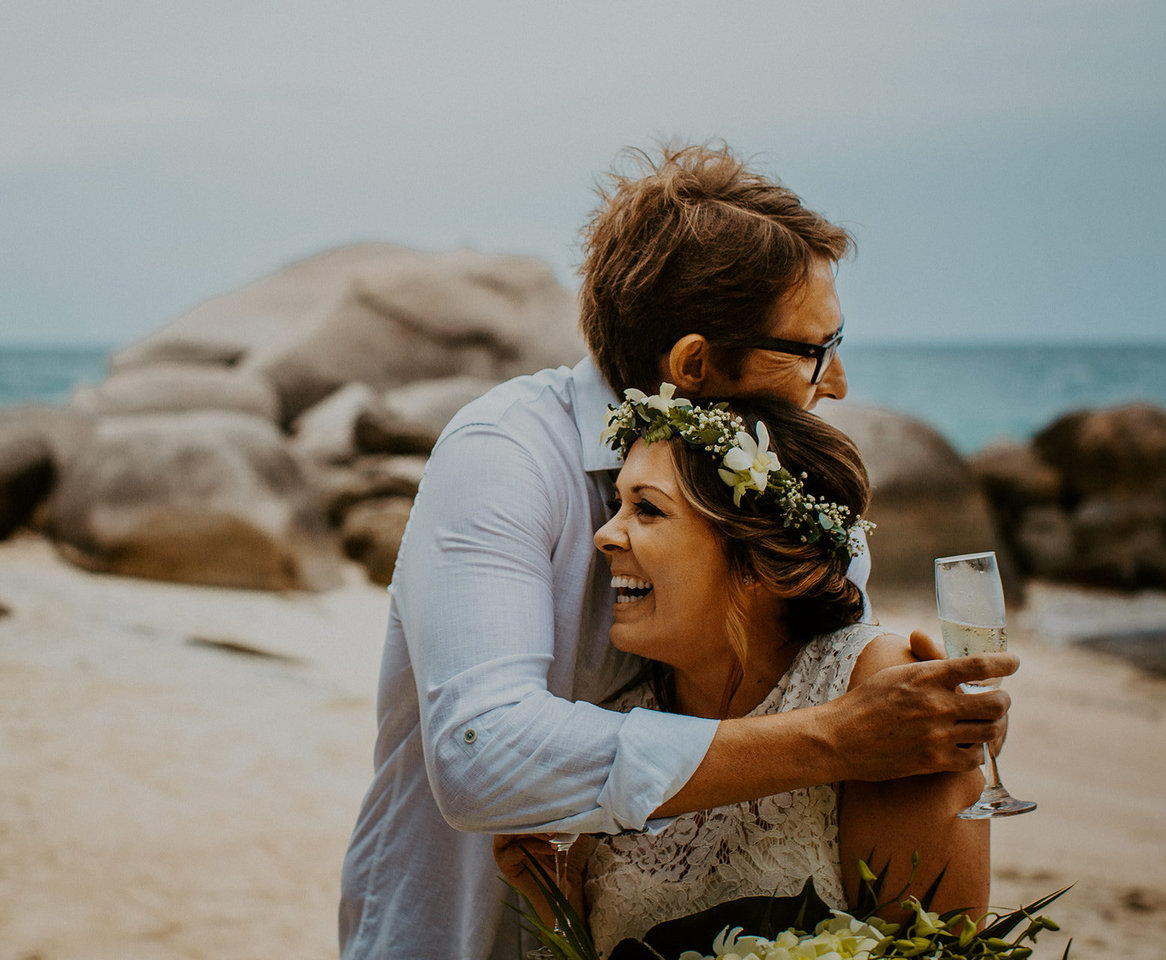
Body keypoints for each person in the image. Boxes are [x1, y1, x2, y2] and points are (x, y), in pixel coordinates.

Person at [339, 143, 1013, 960]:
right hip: (454, 938)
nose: (834, 384)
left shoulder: (802, 521)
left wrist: (934, 718)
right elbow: (480, 755)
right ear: (695, 366)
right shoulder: (506, 453)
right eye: (811, 350)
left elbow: (842, 714)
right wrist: (838, 737)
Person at [498, 393, 988, 955]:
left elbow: (946, 948)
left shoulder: (880, 691)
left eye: (648, 509)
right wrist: (553, 898)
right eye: (617, 503)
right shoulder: (614, 730)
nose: (605, 534)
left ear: (755, 558)